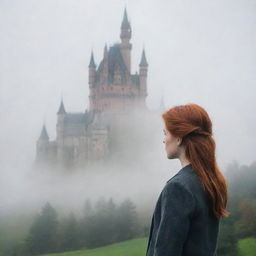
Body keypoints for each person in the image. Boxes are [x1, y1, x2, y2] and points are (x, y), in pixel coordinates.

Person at [146, 103, 229, 256]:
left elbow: (166, 251)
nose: (164, 140)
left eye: (165, 133)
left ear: (178, 138)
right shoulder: (211, 181)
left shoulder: (178, 188)